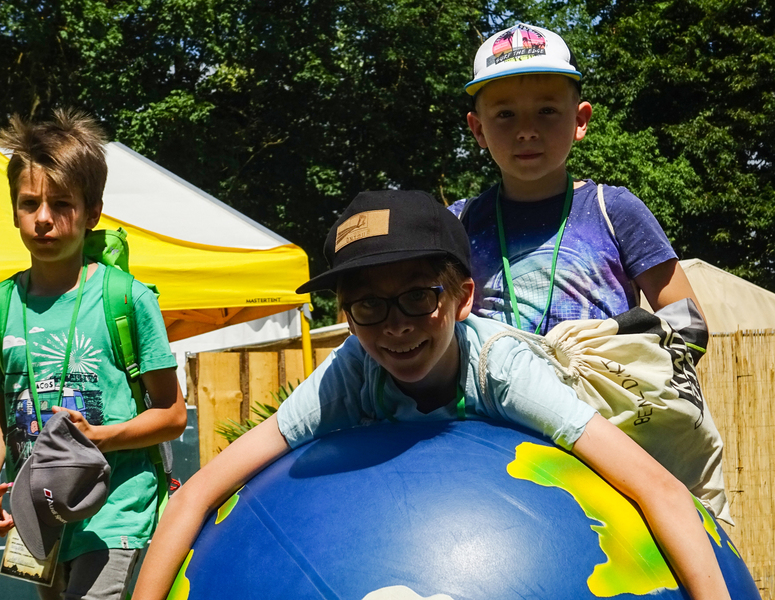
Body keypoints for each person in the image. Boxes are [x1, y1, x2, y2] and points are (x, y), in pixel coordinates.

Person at [133, 190, 730, 600]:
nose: (396, 327)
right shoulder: (351, 372)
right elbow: (196, 495)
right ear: (346, 316)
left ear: (464, 298)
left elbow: (655, 487)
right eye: (369, 306)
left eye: (419, 297)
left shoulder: (502, 369)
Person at [0, 109, 187, 600]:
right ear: (14, 209)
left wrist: (100, 437)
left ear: (93, 212)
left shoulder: (126, 299)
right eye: (29, 203)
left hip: (115, 510)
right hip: (38, 511)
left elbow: (173, 415)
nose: (43, 218)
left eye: (61, 203)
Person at [449, 23, 705, 335]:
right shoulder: (456, 224)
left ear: (580, 120)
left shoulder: (614, 211)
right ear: (478, 129)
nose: (526, 130)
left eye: (546, 110)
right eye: (505, 114)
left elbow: (689, 326)